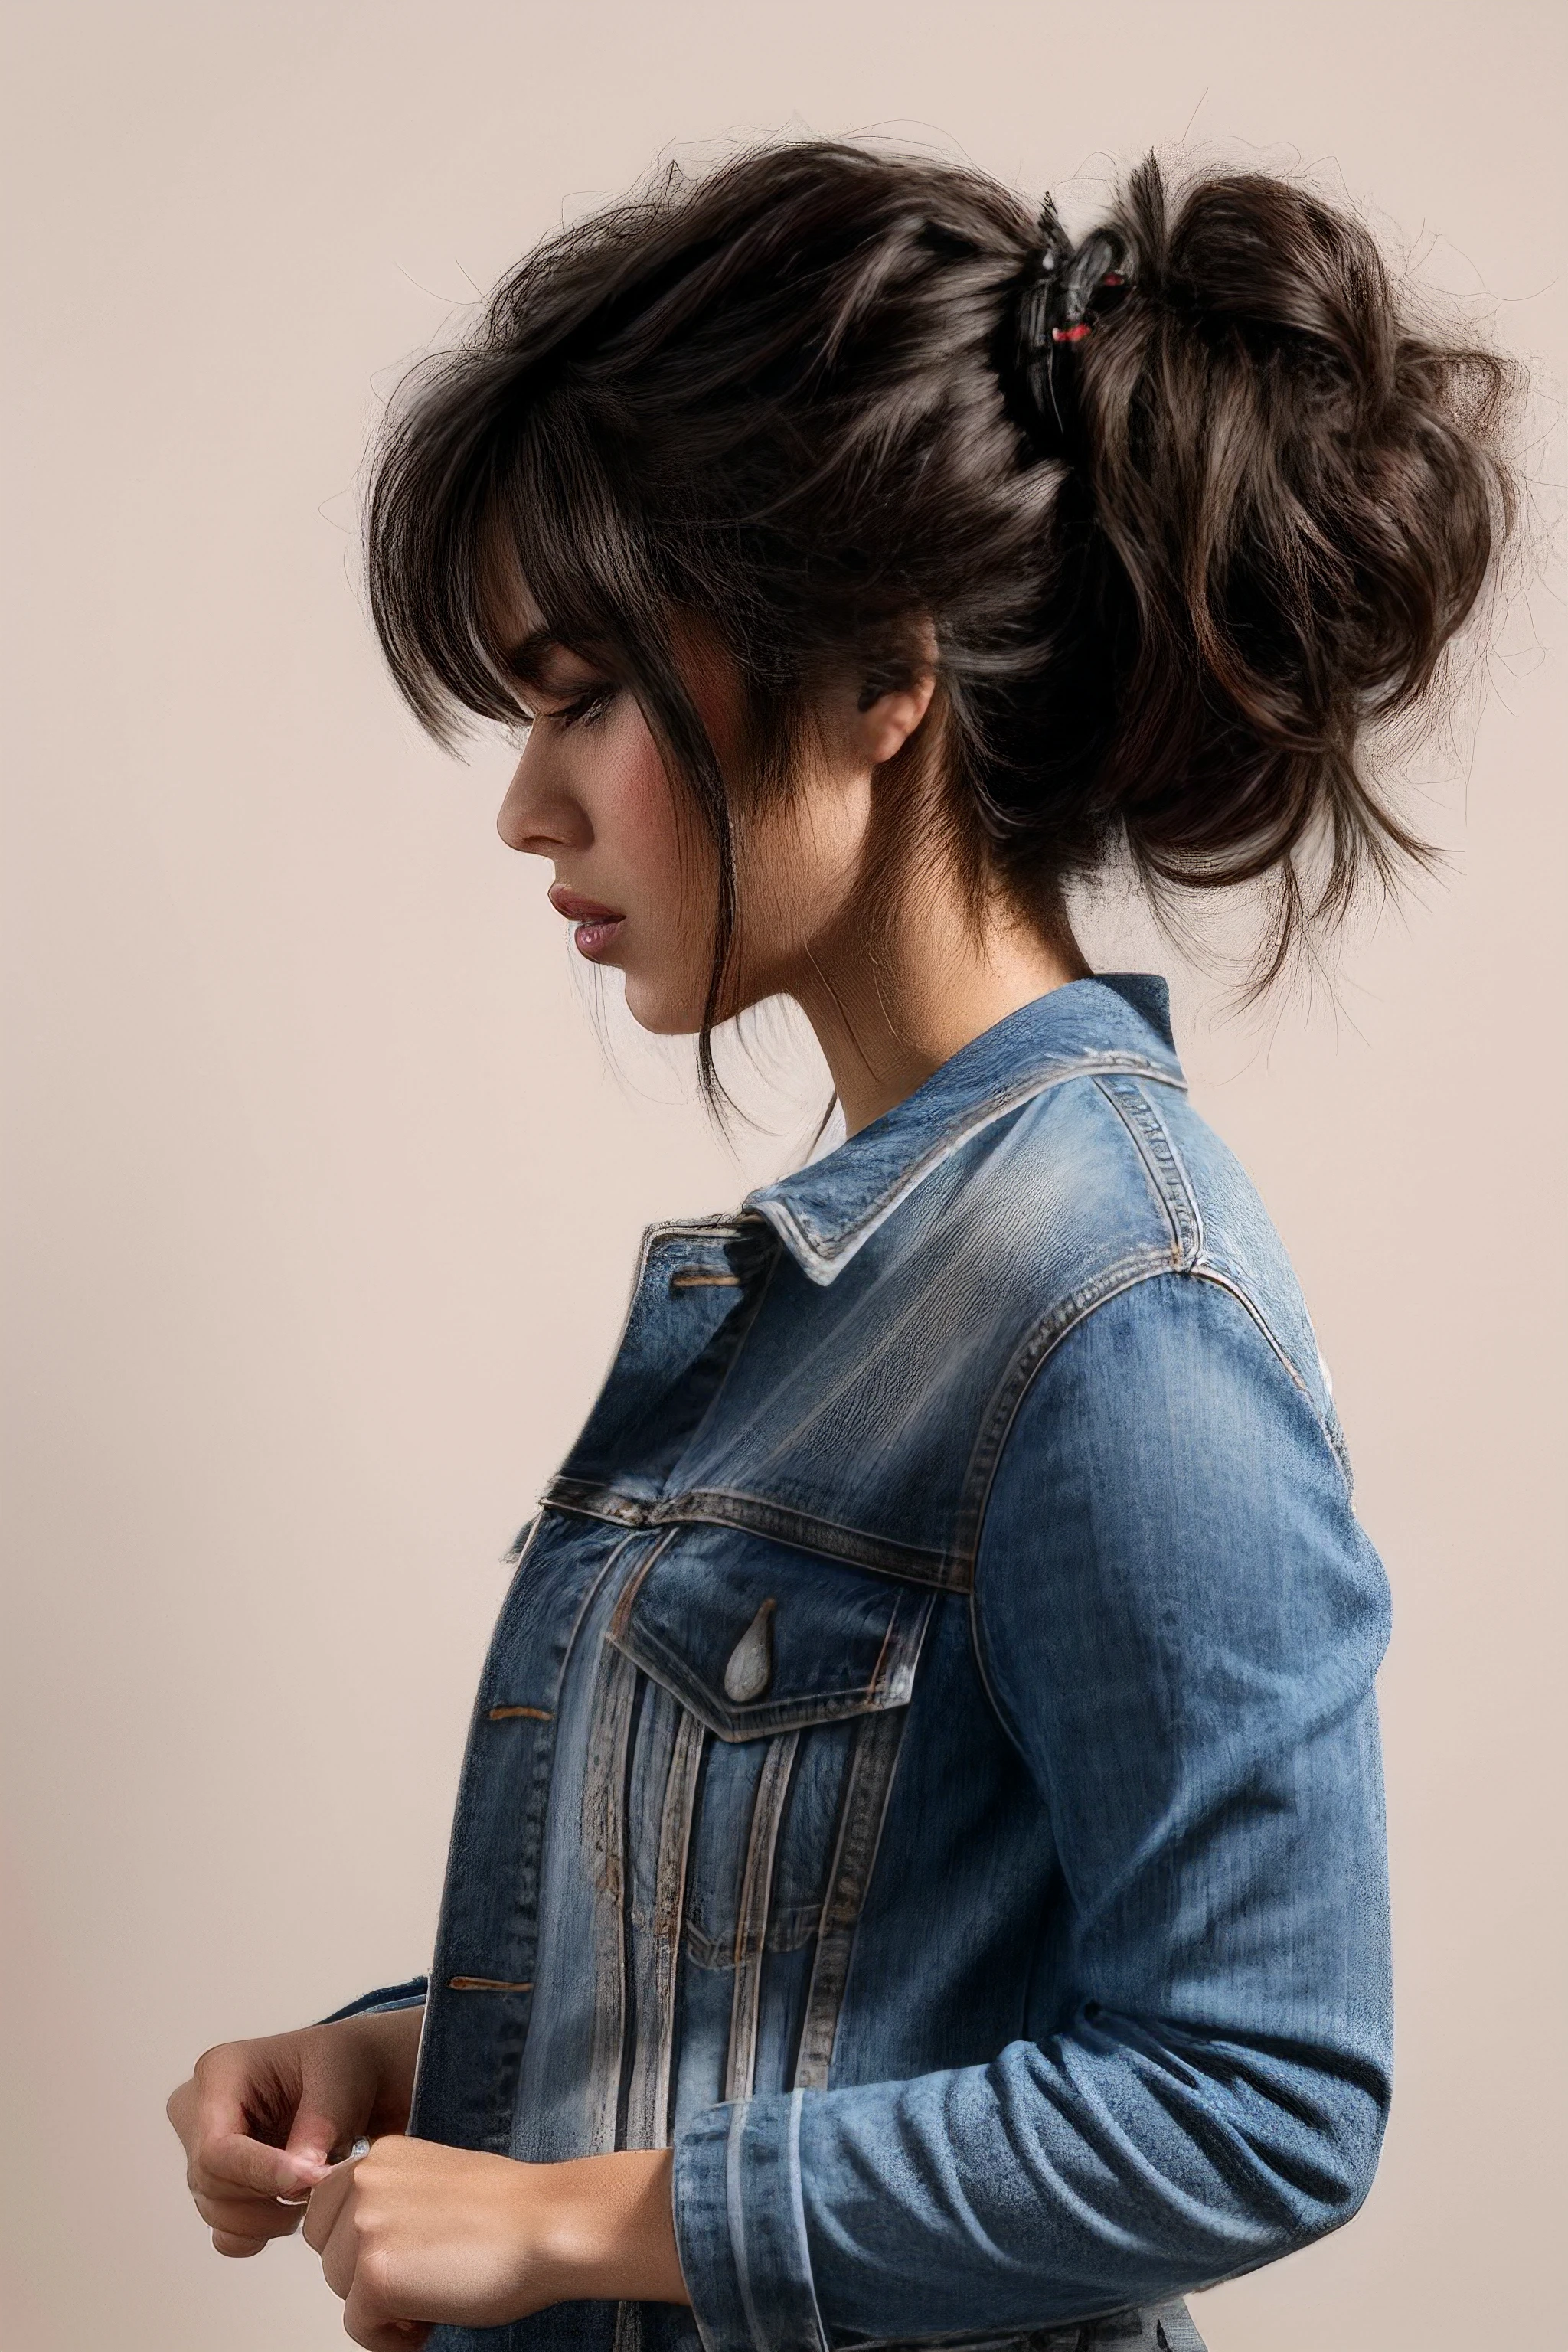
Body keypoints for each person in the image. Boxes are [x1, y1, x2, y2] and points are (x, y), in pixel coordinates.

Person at [165, 139, 1517, 2352]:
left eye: (588, 692)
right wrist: (415, 2063)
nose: (528, 804)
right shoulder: (860, 1277)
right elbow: (846, 1955)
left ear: (883, 676)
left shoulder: (1116, 1310)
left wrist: (575, 2221)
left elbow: (1262, 2093)